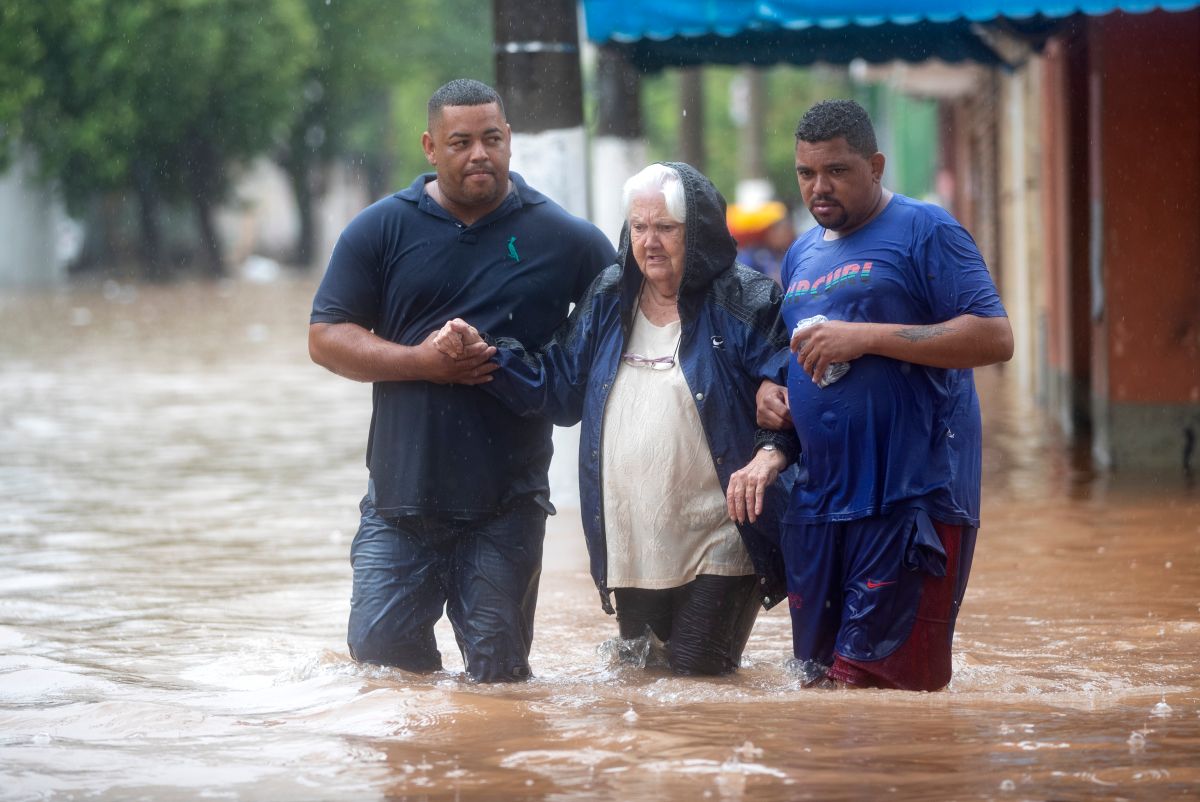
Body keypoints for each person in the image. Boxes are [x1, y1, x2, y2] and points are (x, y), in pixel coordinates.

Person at [307, 79, 616, 683]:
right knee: (384, 673)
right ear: (430, 146)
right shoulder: (380, 230)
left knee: (498, 685)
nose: (480, 153)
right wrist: (422, 363)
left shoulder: (563, 238)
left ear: (510, 141)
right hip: (399, 501)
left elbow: (629, 321)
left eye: (492, 139)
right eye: (461, 141)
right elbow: (325, 337)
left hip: (507, 504)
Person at [435, 163, 797, 676]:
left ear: (700, 234)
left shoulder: (746, 300)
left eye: (666, 229)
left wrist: (767, 450)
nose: (649, 242)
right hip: (632, 537)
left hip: (720, 530)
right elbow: (558, 388)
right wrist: (489, 354)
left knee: (696, 682)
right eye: (639, 227)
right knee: (642, 686)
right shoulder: (610, 296)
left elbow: (789, 391)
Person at [760, 99, 1014, 691]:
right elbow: (796, 348)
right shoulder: (801, 251)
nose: (819, 187)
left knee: (883, 697)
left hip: (911, 503)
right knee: (818, 691)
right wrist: (774, 389)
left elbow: (994, 335)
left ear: (875, 165)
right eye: (806, 173)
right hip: (822, 508)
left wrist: (866, 338)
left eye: (837, 171)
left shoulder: (928, 230)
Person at [727, 200, 796, 285]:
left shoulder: (791, 252)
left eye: (788, 230)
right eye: (782, 230)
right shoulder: (753, 255)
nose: (787, 235)